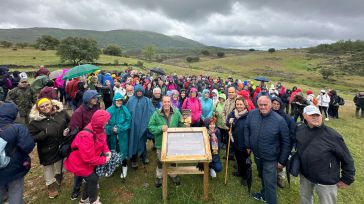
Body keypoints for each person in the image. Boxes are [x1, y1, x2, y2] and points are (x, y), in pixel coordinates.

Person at [296, 105, 355, 204]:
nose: (315, 117)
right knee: (305, 198)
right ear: (304, 116)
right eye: (311, 115)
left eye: (317, 115)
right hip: (305, 174)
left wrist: (347, 179)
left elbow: (347, 158)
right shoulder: (300, 129)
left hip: (326, 179)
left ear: (321, 116)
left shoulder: (333, 136)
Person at [245, 95, 290, 204]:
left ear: (271, 105)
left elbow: (286, 141)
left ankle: (271, 200)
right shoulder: (252, 114)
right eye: (261, 105)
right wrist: (248, 145)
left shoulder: (279, 120)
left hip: (271, 158)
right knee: (262, 177)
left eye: (265, 105)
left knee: (270, 183)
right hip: (257, 155)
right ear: (257, 105)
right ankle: (264, 195)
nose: (263, 107)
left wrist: (282, 161)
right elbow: (246, 128)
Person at [65, 110, 111, 204]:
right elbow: (88, 158)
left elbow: (103, 141)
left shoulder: (99, 129)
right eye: (105, 121)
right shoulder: (86, 135)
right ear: (99, 123)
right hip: (79, 162)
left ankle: (84, 200)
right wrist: (104, 159)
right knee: (93, 178)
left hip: (88, 161)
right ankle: (93, 200)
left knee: (91, 179)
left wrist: (107, 151)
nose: (107, 123)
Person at [28, 98, 70, 199]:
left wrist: (68, 128)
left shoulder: (61, 113)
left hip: (60, 145)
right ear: (38, 109)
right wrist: (43, 134)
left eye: (47, 105)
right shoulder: (35, 121)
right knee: (48, 167)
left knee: (60, 163)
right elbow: (30, 137)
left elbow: (69, 121)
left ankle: (58, 177)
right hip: (46, 148)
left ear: (51, 104)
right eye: (42, 107)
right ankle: (51, 187)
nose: (45, 108)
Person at [0, 102, 35, 204]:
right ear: (14, 114)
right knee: (15, 190)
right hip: (14, 167)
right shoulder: (18, 128)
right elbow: (27, 147)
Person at [69, 90, 100, 200]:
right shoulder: (78, 112)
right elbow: (74, 130)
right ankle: (76, 189)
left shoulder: (97, 108)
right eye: (94, 98)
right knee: (80, 168)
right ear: (87, 100)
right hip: (82, 144)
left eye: (96, 97)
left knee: (93, 164)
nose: (96, 99)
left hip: (95, 141)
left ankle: (92, 181)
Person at [148, 95, 185, 187]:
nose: (167, 104)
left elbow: (181, 124)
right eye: (165, 102)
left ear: (171, 102)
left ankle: (173, 175)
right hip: (161, 142)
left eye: (168, 102)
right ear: (162, 102)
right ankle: (159, 176)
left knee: (172, 159)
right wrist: (160, 128)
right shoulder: (156, 113)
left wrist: (186, 125)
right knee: (160, 160)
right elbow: (150, 126)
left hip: (174, 142)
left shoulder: (176, 112)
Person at [126, 84, 155, 169]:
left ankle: (143, 155)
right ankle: (134, 159)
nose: (139, 93)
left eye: (140, 91)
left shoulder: (146, 100)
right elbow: (127, 113)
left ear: (142, 91)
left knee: (142, 140)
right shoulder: (131, 100)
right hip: (133, 127)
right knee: (133, 141)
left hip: (143, 125)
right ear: (135, 91)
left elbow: (152, 111)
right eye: (137, 91)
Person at [271, 97, 297, 188]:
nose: (275, 106)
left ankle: (281, 178)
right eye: (274, 103)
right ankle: (272, 177)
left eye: (277, 104)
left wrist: (289, 142)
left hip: (282, 143)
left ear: (280, 105)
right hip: (272, 142)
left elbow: (292, 130)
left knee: (281, 161)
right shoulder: (268, 114)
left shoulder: (286, 117)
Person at [105, 93, 131, 179]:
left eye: (120, 100)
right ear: (114, 101)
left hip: (122, 135)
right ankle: (112, 167)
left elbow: (128, 122)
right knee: (112, 150)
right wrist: (111, 129)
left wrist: (120, 128)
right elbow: (104, 124)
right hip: (111, 136)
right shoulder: (109, 110)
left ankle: (124, 167)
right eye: (117, 100)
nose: (119, 102)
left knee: (122, 150)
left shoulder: (125, 110)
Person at [226, 97, 249, 185]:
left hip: (244, 142)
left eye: (241, 104)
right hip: (235, 140)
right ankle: (240, 172)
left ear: (244, 105)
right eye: (237, 104)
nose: (239, 106)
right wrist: (229, 122)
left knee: (245, 160)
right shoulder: (233, 113)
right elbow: (228, 123)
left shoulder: (248, 115)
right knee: (238, 158)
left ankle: (246, 177)